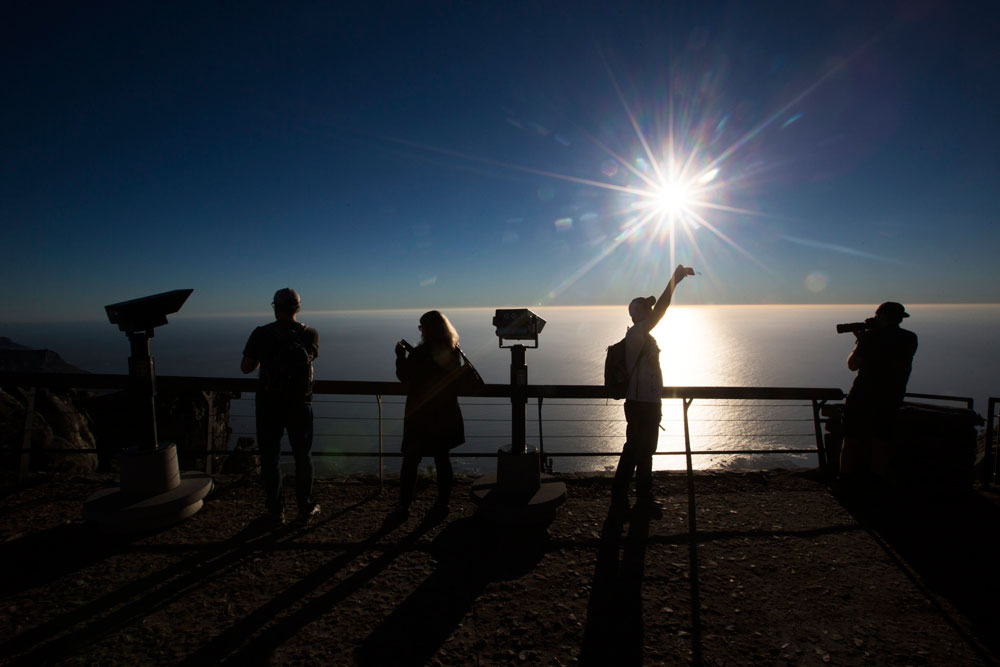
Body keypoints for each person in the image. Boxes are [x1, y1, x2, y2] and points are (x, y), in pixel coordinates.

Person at [611, 264, 692, 519]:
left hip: (648, 403)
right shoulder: (636, 333)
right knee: (634, 451)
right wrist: (673, 282)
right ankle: (621, 499)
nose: (650, 310)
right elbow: (662, 309)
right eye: (645, 307)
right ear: (636, 314)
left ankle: (642, 499)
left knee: (644, 452)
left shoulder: (643, 336)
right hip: (640, 404)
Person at [241, 288, 321, 526]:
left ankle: (276, 511)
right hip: (300, 403)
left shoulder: (261, 334)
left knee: (270, 457)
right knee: (303, 457)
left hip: (269, 404)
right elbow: (309, 365)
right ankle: (306, 508)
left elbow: (246, 367)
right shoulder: (311, 334)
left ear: (275, 307)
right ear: (298, 308)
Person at [391, 310, 468, 521]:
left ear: (427, 329)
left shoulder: (420, 353)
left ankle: (403, 506)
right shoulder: (453, 351)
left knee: (411, 461)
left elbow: (404, 376)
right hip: (446, 413)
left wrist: (400, 356)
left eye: (421, 327)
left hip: (420, 416)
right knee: (443, 459)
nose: (420, 331)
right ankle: (443, 503)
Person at [840, 301, 918, 483]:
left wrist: (860, 340)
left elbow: (853, 365)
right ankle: (878, 483)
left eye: (876, 316)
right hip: (892, 396)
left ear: (881, 316)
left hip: (863, 396)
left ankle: (845, 480)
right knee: (882, 440)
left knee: (851, 438)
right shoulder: (910, 338)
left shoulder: (870, 338)